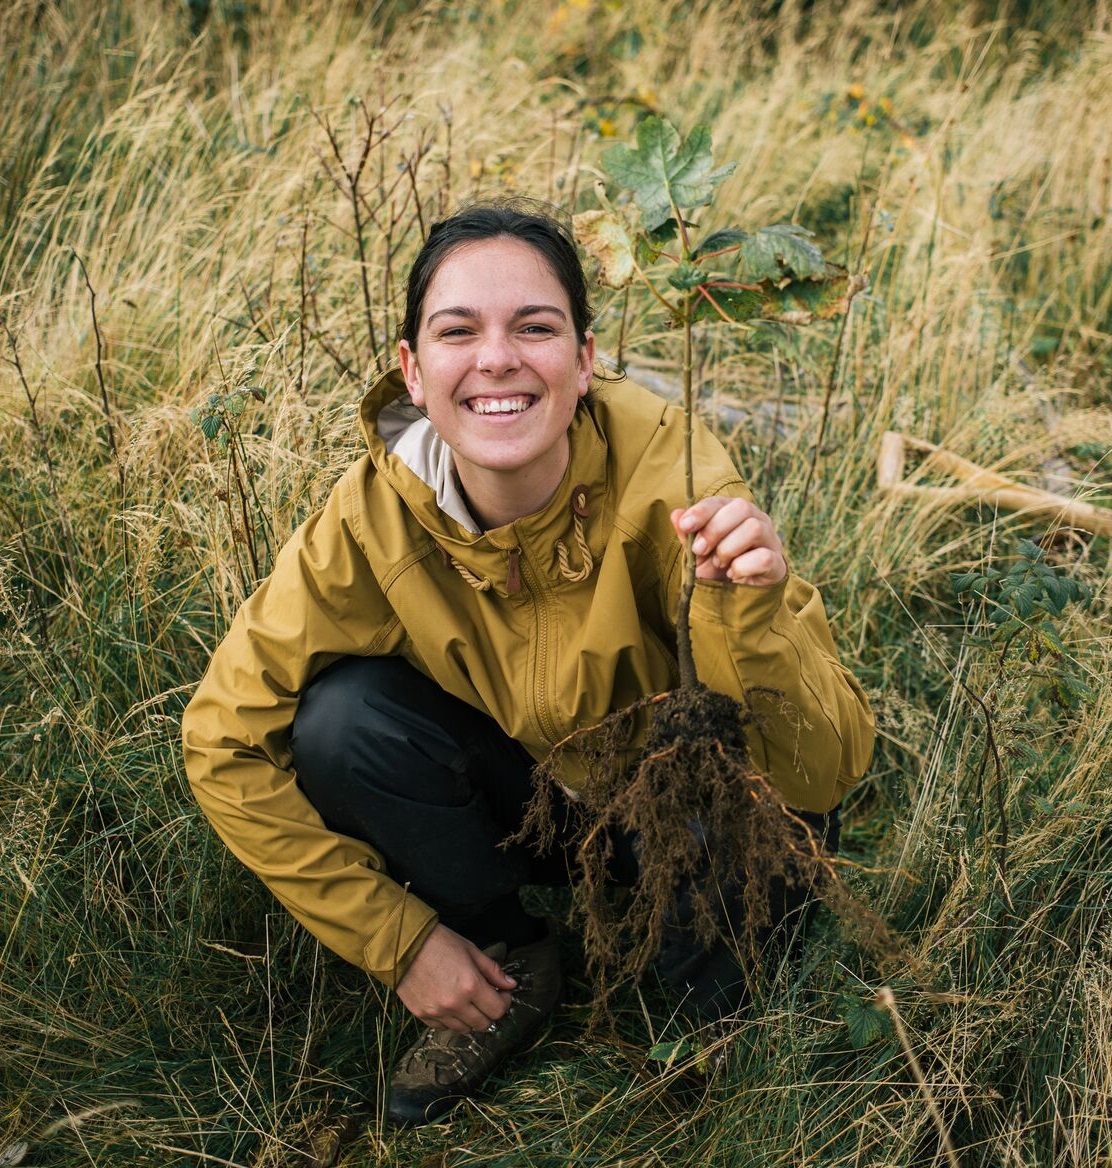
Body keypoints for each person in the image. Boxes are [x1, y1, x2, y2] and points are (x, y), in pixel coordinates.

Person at [182, 200, 874, 1127]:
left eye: (534, 328)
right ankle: (507, 956)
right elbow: (221, 740)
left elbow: (822, 773)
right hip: (538, 799)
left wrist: (748, 609)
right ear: (413, 371)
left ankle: (727, 1045)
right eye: (457, 331)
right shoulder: (369, 518)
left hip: (690, 807)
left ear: (584, 361)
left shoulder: (676, 473)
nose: (497, 358)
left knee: (739, 986)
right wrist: (399, 942)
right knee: (342, 720)